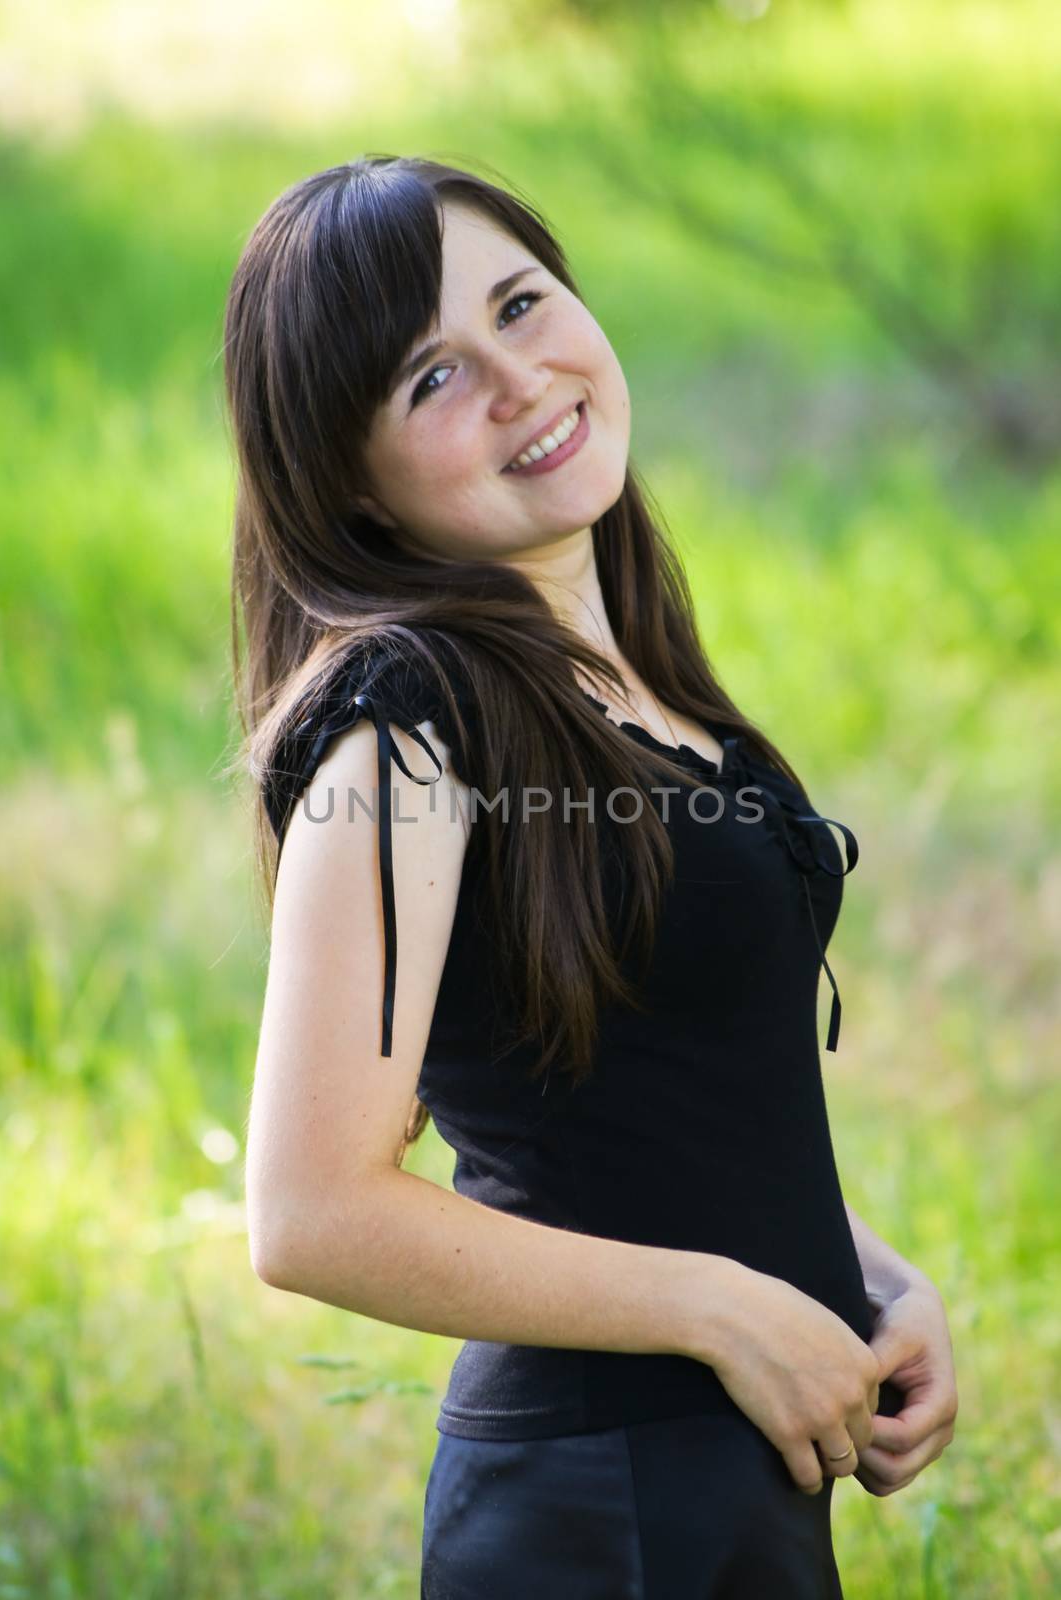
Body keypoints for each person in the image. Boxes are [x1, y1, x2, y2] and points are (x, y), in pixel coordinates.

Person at [227, 155, 958, 1597]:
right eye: (431, 378)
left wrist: (865, 1276)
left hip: (714, 1493)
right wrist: (720, 1306)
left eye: (522, 303)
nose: (518, 378)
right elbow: (310, 1210)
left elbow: (648, 1101)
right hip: (595, 1515)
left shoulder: (621, 678)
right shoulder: (403, 727)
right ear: (347, 483)